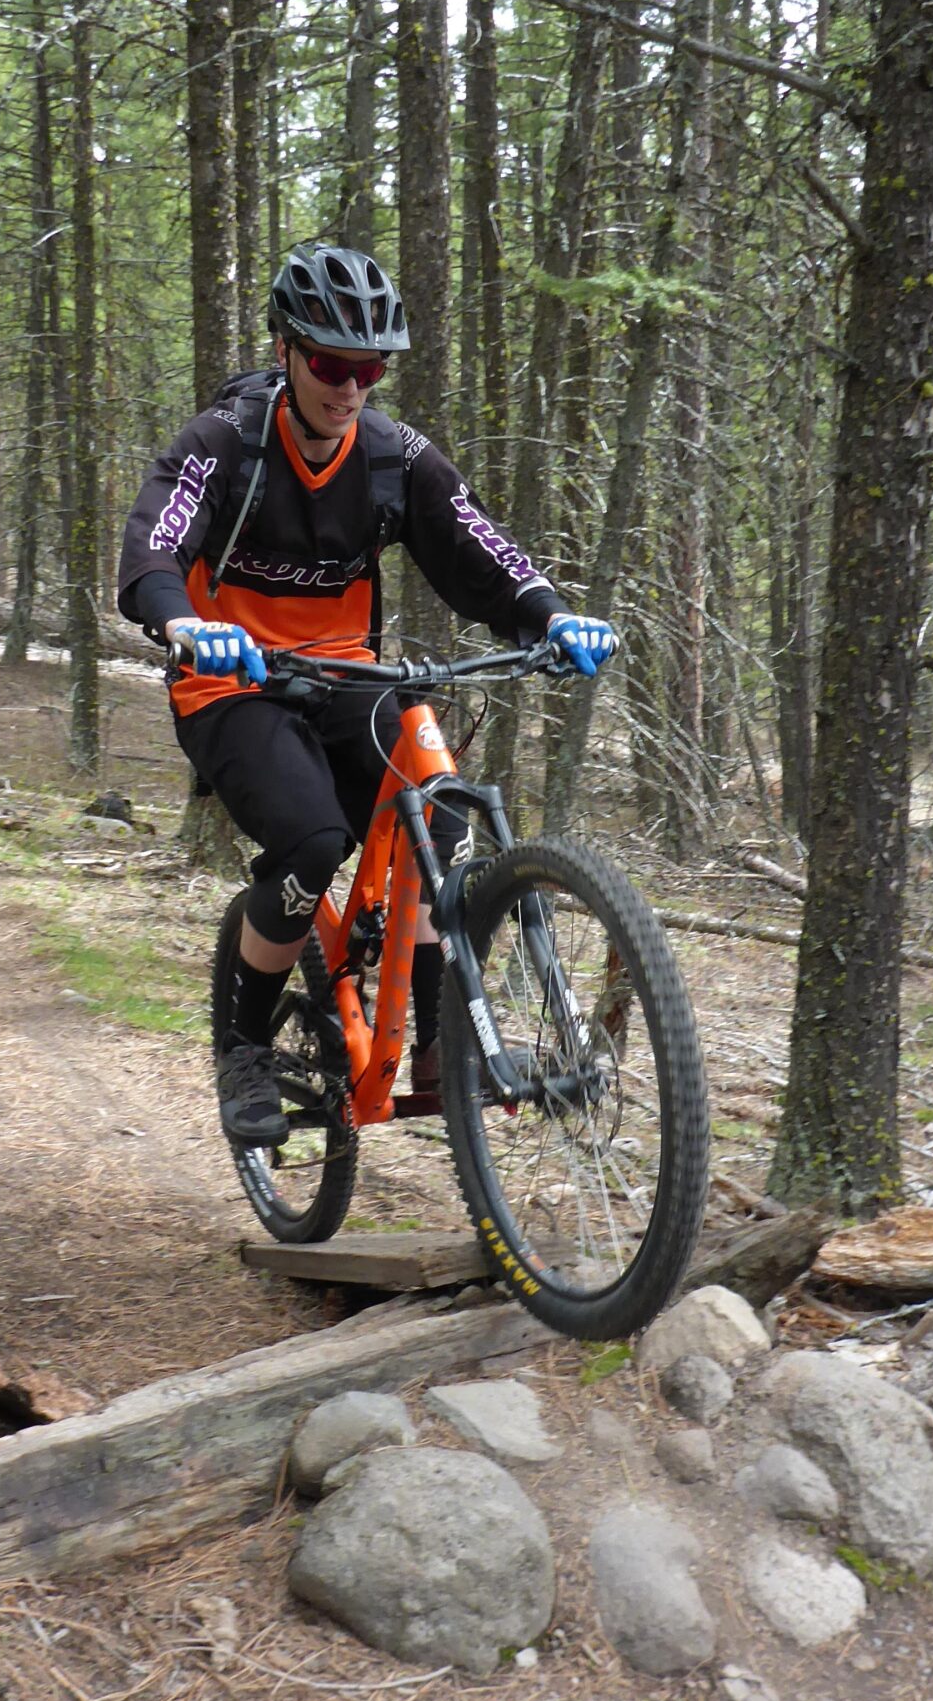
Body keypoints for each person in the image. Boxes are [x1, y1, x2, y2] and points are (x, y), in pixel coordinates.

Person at [118, 241, 617, 1146]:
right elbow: (156, 542)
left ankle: (434, 1049)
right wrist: (182, 622)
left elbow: (482, 548)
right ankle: (244, 1049)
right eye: (331, 363)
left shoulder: (394, 456)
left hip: (349, 673)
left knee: (442, 811)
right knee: (313, 842)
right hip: (233, 684)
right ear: (286, 352)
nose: (350, 386)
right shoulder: (224, 443)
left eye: (370, 368)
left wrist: (549, 614)